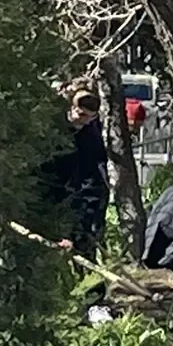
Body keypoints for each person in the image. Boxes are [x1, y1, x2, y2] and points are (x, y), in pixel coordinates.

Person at [59, 84, 111, 257]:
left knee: (84, 246)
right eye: (80, 114)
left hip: (83, 198)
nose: (82, 119)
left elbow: (93, 178)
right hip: (57, 191)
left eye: (88, 116)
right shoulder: (57, 131)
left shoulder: (91, 138)